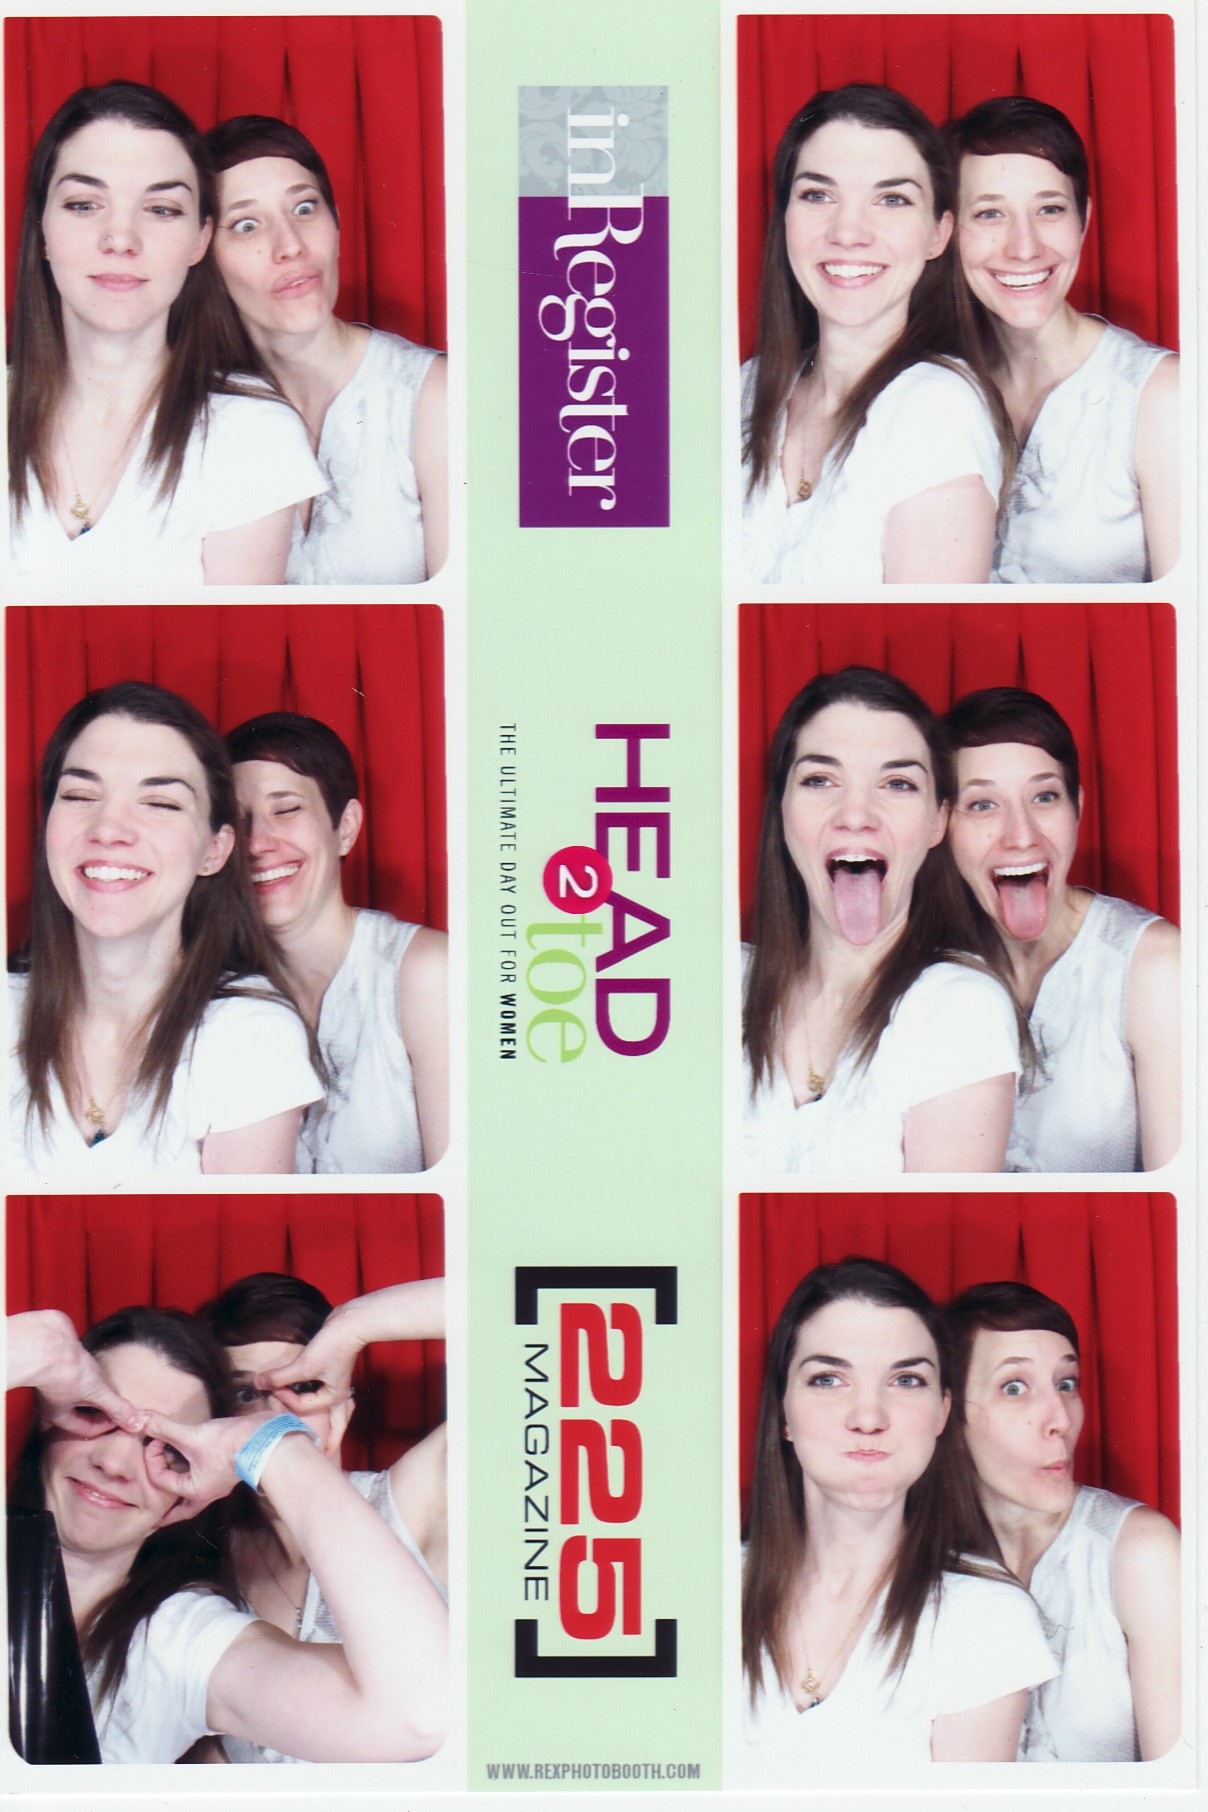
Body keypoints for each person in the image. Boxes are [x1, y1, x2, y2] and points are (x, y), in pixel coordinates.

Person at [6, 1305, 447, 1763]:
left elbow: (419, 1715)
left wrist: (273, 1444)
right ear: (44, 1417)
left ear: (194, 1483)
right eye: (93, 1413)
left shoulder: (179, 1641)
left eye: (165, 1447)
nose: (114, 1464)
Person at [734, 1258, 1055, 1780]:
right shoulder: (701, 1592)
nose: (869, 1417)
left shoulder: (984, 1619)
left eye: (906, 1380)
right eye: (828, 1379)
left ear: (943, 1411)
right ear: (783, 1412)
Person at [7, 82, 325, 593]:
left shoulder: (252, 435)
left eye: (160, 209)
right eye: (84, 204)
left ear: (200, 239)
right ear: (42, 229)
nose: (121, 239)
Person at [8, 682, 322, 1183]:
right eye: (80, 795)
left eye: (160, 803)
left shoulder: (250, 1037)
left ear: (214, 851)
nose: (108, 829)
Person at [742, 667, 1022, 1173]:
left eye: (897, 783)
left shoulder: (959, 1011)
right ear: (781, 811)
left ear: (938, 821)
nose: (856, 815)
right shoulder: (718, 982)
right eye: (820, 780)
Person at [742, 83, 1011, 585]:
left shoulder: (936, 410)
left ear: (939, 234)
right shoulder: (746, 388)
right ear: (784, 218)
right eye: (818, 195)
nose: (848, 232)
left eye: (891, 199)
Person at [193, 1270, 448, 1768]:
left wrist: (353, 1326)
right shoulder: (202, 1564)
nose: (273, 1416)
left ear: (343, 1410)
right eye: (245, 1394)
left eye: (302, 1385)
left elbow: (556, 1315)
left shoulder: (412, 1500)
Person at [205, 114, 447, 585]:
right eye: (247, 225)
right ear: (204, 256)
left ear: (336, 227)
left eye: (304, 208)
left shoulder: (432, 398)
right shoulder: (197, 411)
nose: (290, 246)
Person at [946, 686, 1180, 1171]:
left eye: (1045, 796)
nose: (1021, 835)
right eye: (983, 805)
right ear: (940, 824)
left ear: (1077, 807)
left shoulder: (1155, 966)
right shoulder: (925, 968)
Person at [947, 1281, 1180, 1761]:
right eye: (1014, 1387)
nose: (1061, 1419)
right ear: (948, 1416)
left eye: (1066, 1384)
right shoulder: (916, 1560)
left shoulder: (1139, 1552)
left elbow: (1183, 1782)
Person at [950, 95, 1178, 583]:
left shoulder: (1162, 396)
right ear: (947, 231)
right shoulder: (940, 384)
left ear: (1084, 220)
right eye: (989, 214)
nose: (1024, 247)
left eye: (1050, 209)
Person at [225, 710, 448, 1172]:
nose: (257, 843)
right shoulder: (220, 992)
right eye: (237, 819)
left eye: (286, 809)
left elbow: (467, 1195)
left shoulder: (426, 974)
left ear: (345, 827)